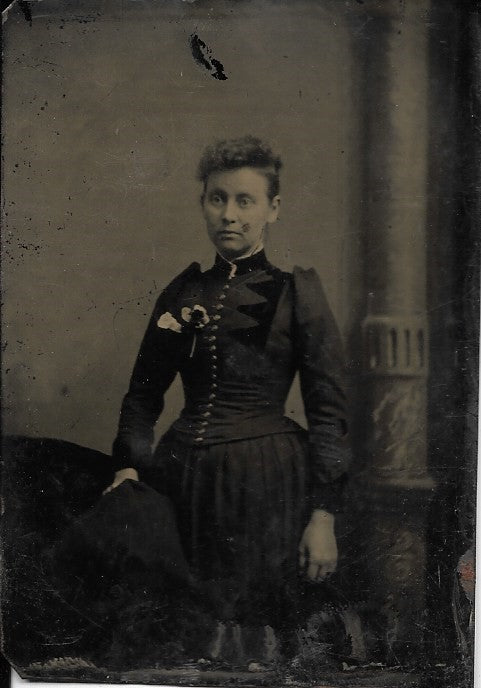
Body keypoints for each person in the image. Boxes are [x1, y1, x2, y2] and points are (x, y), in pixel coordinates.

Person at [106, 135, 350, 650]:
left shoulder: (295, 292)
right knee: (179, 631)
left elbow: (329, 411)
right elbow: (143, 395)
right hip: (182, 480)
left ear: (273, 208)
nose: (230, 215)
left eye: (246, 201)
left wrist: (324, 513)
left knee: (252, 635)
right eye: (218, 199)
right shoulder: (182, 293)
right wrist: (129, 464)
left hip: (266, 484)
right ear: (203, 204)